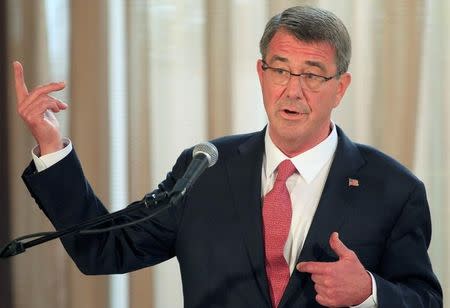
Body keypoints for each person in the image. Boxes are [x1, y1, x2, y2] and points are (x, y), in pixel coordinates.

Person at [14, 6, 442, 308]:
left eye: (312, 75)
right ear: (261, 73)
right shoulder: (204, 168)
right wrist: (52, 148)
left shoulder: (394, 189)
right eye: (280, 70)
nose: (293, 90)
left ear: (340, 86)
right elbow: (104, 250)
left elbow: (424, 300)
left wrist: (369, 291)